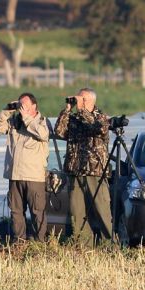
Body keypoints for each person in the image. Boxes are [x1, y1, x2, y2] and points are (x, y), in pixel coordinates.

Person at [54, 87, 113, 247]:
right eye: (79, 98)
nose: (80, 101)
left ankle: (108, 245)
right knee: (77, 211)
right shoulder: (74, 118)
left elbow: (98, 129)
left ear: (92, 101)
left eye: (83, 99)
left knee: (101, 210)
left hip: (94, 171)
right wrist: (67, 110)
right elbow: (59, 132)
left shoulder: (100, 117)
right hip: (75, 171)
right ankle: (83, 245)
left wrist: (81, 110)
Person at [0, 92, 49, 242]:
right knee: (16, 211)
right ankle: (19, 242)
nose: (21, 109)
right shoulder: (14, 122)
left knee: (37, 211)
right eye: (19, 105)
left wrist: (27, 119)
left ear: (34, 106)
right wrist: (7, 110)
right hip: (15, 175)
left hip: (33, 177)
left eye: (24, 106)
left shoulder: (41, 122)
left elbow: (43, 134)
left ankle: (40, 242)